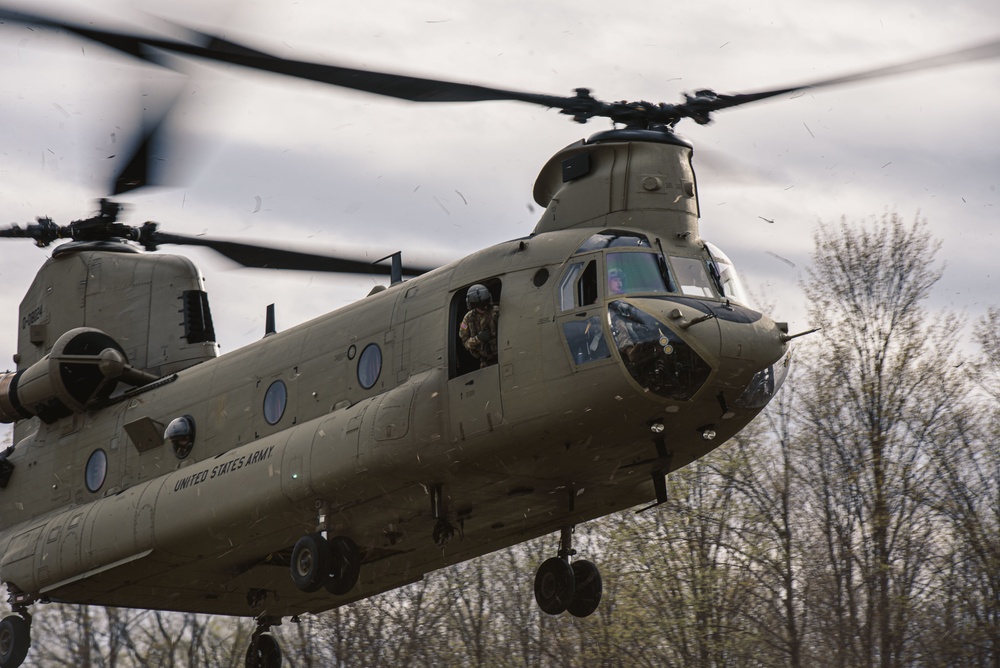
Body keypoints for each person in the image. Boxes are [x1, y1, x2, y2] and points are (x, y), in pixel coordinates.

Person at [459, 284, 499, 368]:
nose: (483, 307)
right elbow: (465, 343)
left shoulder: (496, 312)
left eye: (485, 303)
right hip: (485, 362)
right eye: (479, 305)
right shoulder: (467, 319)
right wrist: (478, 338)